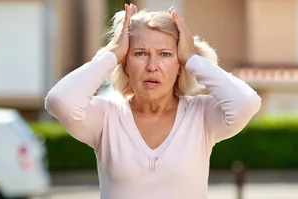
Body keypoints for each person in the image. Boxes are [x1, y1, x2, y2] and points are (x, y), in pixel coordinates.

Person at [44, 3, 261, 199]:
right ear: (125, 63)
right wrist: (112, 54)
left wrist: (193, 59)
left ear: (180, 64)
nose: (152, 66)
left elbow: (247, 103)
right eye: (140, 53)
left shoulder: (201, 115)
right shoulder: (107, 116)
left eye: (165, 54)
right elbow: (59, 100)